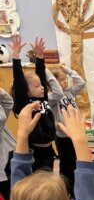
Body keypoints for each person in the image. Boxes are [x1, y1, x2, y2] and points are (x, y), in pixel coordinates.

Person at [11, 35, 63, 171]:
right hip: (34, 152)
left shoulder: (43, 99)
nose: (42, 88)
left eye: (41, 85)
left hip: (48, 150)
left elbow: (40, 74)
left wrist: (39, 57)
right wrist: (16, 56)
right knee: (37, 184)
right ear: (27, 92)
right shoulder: (25, 104)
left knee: (48, 180)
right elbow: (19, 81)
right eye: (36, 86)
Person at [51, 66, 86, 200]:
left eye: (65, 80)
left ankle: (75, 190)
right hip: (63, 137)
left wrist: (68, 71)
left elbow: (81, 82)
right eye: (61, 80)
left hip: (74, 135)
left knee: (76, 164)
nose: (65, 82)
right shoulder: (53, 98)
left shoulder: (70, 92)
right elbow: (57, 92)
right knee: (66, 166)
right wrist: (54, 81)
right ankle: (66, 192)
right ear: (53, 83)